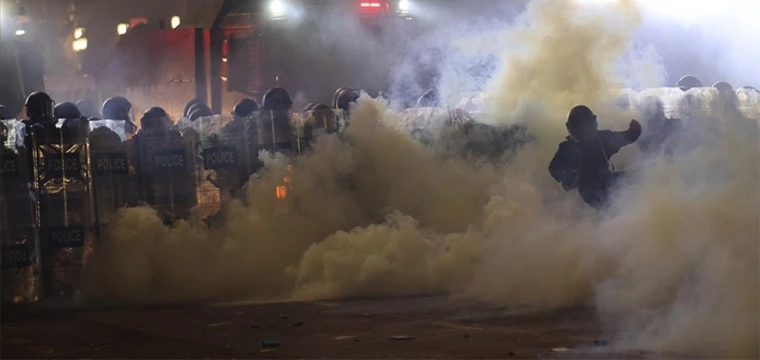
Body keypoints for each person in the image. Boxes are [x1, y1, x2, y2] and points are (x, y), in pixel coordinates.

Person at [549, 105, 641, 210]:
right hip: (590, 192)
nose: (585, 132)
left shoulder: (603, 139)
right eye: (582, 128)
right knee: (614, 208)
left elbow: (625, 138)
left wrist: (634, 131)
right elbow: (554, 167)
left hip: (607, 181)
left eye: (586, 128)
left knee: (642, 178)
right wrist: (565, 175)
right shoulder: (568, 148)